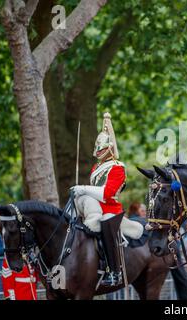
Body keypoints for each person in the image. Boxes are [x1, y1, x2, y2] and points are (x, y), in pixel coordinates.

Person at [71, 112, 143, 286]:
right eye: (97, 148)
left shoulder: (118, 168)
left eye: (101, 148)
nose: (97, 151)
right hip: (92, 209)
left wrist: (84, 188)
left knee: (106, 224)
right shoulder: (96, 167)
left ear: (109, 148)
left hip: (111, 210)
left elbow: (106, 193)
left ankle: (114, 271)